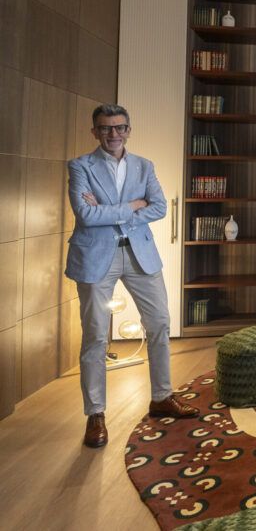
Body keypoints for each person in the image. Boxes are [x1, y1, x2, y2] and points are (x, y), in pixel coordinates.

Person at [66, 104, 198, 449]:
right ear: (95, 132)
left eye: (120, 127)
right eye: (106, 128)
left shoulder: (144, 166)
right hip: (96, 257)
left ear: (128, 130)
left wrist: (110, 211)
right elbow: (85, 214)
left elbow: (159, 207)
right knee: (95, 335)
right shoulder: (80, 166)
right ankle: (95, 414)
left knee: (160, 323)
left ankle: (162, 398)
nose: (114, 134)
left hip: (140, 254)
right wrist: (133, 206)